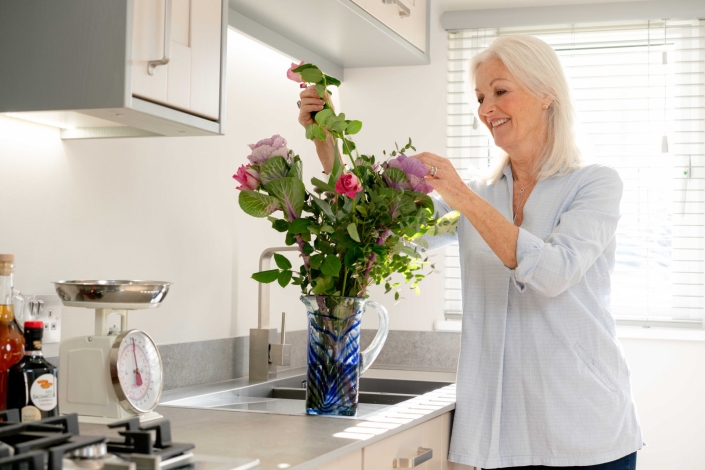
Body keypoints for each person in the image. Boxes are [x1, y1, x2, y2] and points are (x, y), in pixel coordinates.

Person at [298, 35, 643, 470]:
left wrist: (460, 193)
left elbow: (554, 272)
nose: (485, 109)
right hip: (502, 438)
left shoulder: (594, 184)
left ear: (546, 93)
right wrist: (329, 150)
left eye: (500, 91)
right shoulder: (475, 198)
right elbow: (379, 234)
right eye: (481, 97)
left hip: (584, 431)